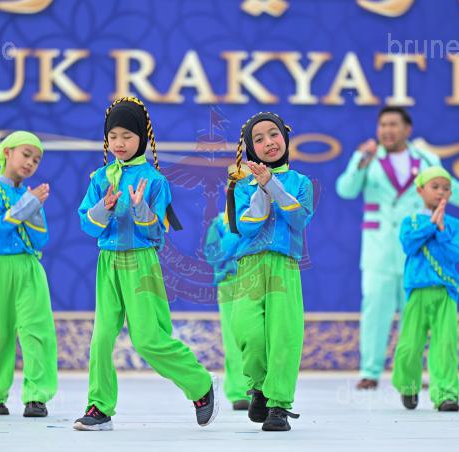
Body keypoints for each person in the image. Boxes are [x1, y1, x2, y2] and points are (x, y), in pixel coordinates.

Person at [335, 106, 459, 390]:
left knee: (415, 315)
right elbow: (346, 189)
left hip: (418, 252)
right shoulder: (369, 159)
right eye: (383, 125)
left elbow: (453, 189)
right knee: (375, 310)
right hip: (379, 249)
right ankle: (370, 371)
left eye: (393, 124)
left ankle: (413, 373)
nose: (387, 130)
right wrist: (359, 159)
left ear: (407, 129)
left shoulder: (427, 160)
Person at [73, 97, 218, 431]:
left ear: (142, 137)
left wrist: (140, 208)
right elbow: (87, 225)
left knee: (148, 339)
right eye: (113, 136)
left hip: (141, 262)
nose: (119, 143)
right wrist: (104, 207)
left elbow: (156, 232)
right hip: (108, 262)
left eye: (127, 135)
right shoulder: (100, 178)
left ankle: (199, 384)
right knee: (101, 338)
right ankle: (99, 407)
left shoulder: (154, 181)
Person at [227, 112, 315, 431]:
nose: (268, 143)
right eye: (259, 139)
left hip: (283, 264)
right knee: (246, 329)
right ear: (251, 148)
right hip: (249, 264)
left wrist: (272, 185)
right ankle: (260, 387)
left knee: (283, 334)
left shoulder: (301, 183)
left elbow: (298, 218)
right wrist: (262, 187)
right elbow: (247, 226)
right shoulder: (242, 186)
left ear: (285, 138)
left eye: (273, 134)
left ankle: (278, 404)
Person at [0, 130, 58, 417]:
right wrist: (29, 205)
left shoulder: (29, 196)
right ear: (7, 152)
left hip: (29, 267)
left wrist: (32, 206)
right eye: (26, 154)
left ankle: (37, 396)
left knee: (37, 331)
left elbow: (40, 240)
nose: (30, 163)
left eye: (36, 159)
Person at [393, 166, 459, 412]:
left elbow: (455, 254)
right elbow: (409, 245)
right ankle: (408, 386)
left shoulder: (454, 225)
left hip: (445, 292)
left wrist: (442, 230)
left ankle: (446, 395)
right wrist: (431, 226)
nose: (441, 192)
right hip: (417, 292)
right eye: (435, 187)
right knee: (409, 346)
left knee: (445, 344)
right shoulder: (411, 222)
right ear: (420, 190)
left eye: (446, 188)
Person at [203, 163, 252, 411]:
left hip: (254, 283)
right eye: (234, 186)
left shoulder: (258, 219)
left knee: (253, 336)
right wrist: (234, 234)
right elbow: (213, 254)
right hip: (228, 284)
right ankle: (238, 391)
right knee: (232, 339)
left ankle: (259, 387)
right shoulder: (218, 223)